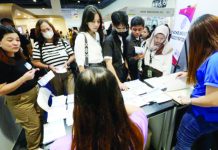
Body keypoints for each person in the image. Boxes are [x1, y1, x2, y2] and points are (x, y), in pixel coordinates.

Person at [50, 67, 148, 150]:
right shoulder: (137, 129)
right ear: (117, 95)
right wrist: (111, 104)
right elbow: (138, 110)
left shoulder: (60, 146)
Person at [174, 14, 218, 150]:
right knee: (203, 144)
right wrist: (190, 73)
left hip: (200, 114)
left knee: (182, 144)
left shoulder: (215, 60)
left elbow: (213, 99)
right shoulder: (213, 56)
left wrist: (189, 101)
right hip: (212, 118)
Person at [0, 25, 42, 150]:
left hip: (34, 93)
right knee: (33, 127)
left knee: (37, 123)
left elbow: (24, 70)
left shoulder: (18, 55)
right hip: (20, 101)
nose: (15, 43)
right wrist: (24, 79)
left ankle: (37, 144)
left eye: (17, 40)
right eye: (10, 40)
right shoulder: (2, 63)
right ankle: (33, 148)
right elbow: (1, 90)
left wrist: (34, 74)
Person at [32, 19, 75, 96]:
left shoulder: (62, 42)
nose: (47, 32)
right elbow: (35, 62)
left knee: (72, 95)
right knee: (59, 96)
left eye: (48, 29)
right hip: (53, 75)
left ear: (52, 28)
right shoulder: (38, 45)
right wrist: (48, 66)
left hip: (67, 73)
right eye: (43, 30)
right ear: (40, 33)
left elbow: (72, 55)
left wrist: (67, 62)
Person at [103, 11, 130, 90]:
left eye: (123, 28)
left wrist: (128, 73)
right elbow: (108, 64)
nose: (121, 30)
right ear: (113, 25)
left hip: (123, 73)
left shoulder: (124, 35)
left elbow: (124, 56)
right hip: (114, 76)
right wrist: (118, 83)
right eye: (119, 28)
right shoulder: (109, 41)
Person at [74, 5, 105, 73]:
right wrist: (84, 76)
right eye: (93, 21)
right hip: (89, 70)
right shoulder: (81, 36)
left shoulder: (97, 34)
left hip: (101, 67)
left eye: (98, 21)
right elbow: (79, 59)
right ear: (86, 21)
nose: (96, 24)